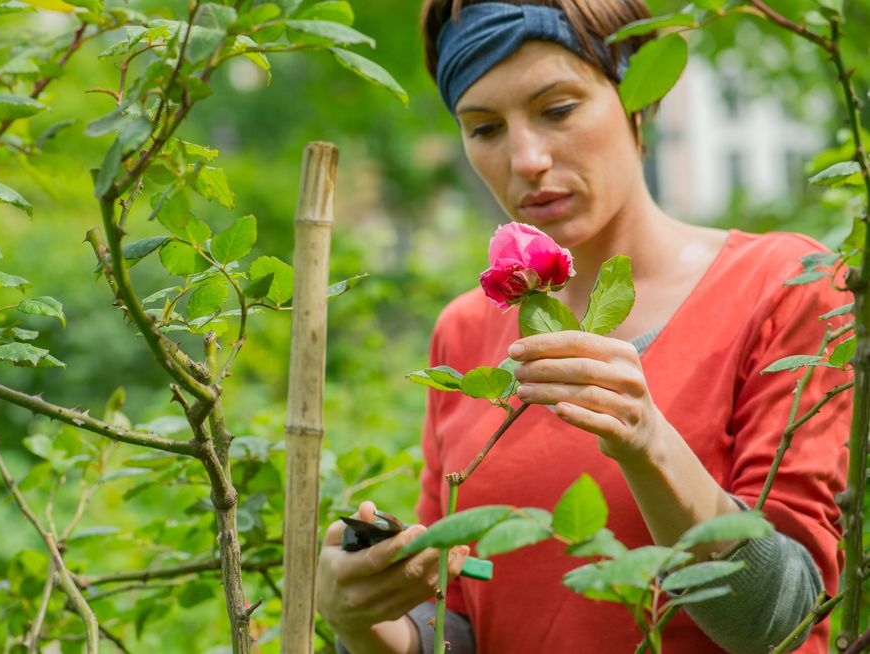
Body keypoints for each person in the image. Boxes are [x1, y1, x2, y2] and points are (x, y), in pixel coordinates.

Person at [316, 1, 852, 652]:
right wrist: (365, 622)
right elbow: (462, 615)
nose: (528, 158)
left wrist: (648, 441)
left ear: (637, 92)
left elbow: (783, 620)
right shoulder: (465, 332)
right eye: (484, 128)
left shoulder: (784, 285)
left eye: (558, 109)